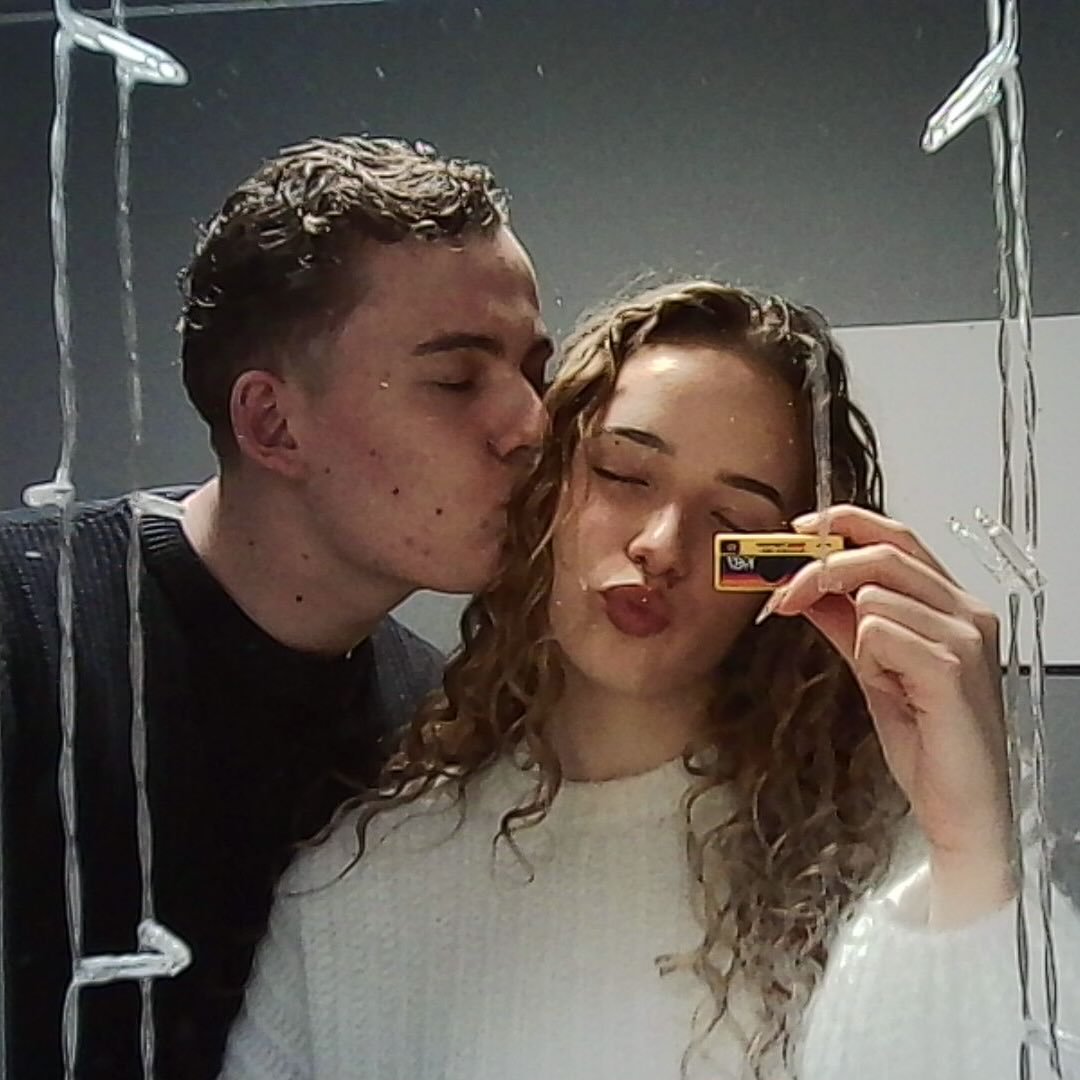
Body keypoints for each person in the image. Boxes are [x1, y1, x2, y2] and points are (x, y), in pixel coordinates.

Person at [220, 280, 1079, 1080]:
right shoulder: (359, 885)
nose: (662, 547)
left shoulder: (895, 860)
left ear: (782, 566)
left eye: (735, 518)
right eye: (623, 475)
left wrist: (975, 848)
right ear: (545, 489)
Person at [0, 134, 552, 1078]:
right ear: (273, 423)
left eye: (533, 371)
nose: (531, 424)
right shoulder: (22, 631)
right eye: (458, 379)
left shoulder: (430, 733)